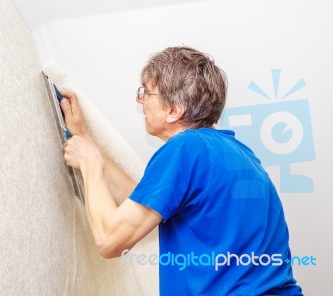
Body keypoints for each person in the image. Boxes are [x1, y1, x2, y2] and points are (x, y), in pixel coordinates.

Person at [59, 46, 303, 295]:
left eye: (147, 92)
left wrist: (90, 164)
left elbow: (110, 240)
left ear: (174, 110)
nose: (139, 99)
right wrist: (87, 140)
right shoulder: (240, 155)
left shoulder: (186, 148)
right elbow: (140, 202)